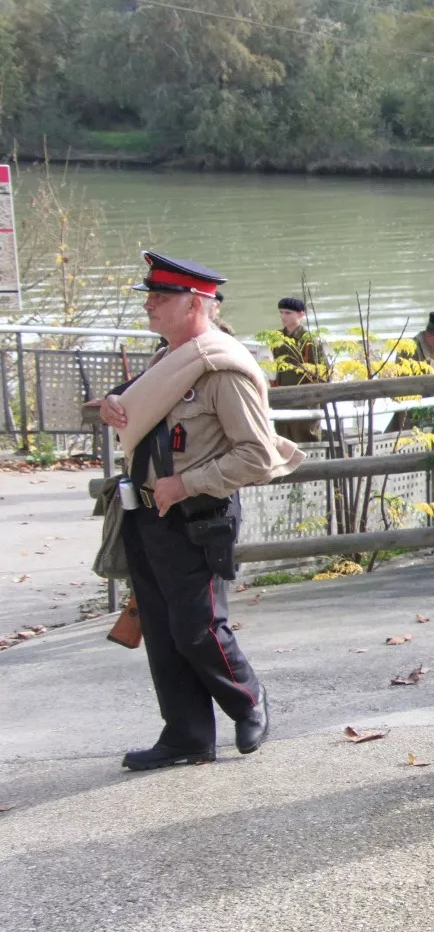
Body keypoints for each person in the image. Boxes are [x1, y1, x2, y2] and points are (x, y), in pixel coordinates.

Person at [96, 251, 304, 771]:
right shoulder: (167, 362)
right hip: (147, 513)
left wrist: (185, 484)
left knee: (198, 628)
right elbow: (140, 416)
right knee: (163, 631)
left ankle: (248, 698)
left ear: (194, 304)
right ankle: (186, 736)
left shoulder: (221, 368)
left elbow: (257, 455)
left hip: (198, 514)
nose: (149, 306)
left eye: (159, 298)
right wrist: (111, 405)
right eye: (149, 297)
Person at [270, 296, 326, 445]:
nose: (283, 316)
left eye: (288, 313)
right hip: (282, 398)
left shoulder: (310, 340)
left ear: (301, 314)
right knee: (284, 440)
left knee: (307, 439)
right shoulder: (276, 338)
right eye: (281, 312)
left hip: (305, 399)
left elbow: (321, 373)